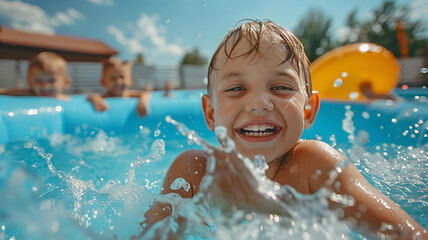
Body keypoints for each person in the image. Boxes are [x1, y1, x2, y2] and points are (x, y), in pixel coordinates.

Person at [142, 20, 427, 238]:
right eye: (236, 88)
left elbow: (407, 234)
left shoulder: (317, 167)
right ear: (210, 113)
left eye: (281, 87)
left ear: (309, 110)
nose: (259, 103)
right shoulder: (193, 173)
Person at [87, 57, 151, 116]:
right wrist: (96, 99)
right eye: (113, 78)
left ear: (130, 80)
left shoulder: (128, 94)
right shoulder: (106, 96)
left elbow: (144, 93)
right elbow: (91, 96)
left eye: (122, 77)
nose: (118, 82)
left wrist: (142, 102)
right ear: (103, 82)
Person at [0, 51, 71, 100]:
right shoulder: (30, 95)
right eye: (38, 80)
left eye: (51, 81)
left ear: (66, 83)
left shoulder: (65, 99)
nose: (45, 86)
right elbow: (5, 92)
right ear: (29, 81)